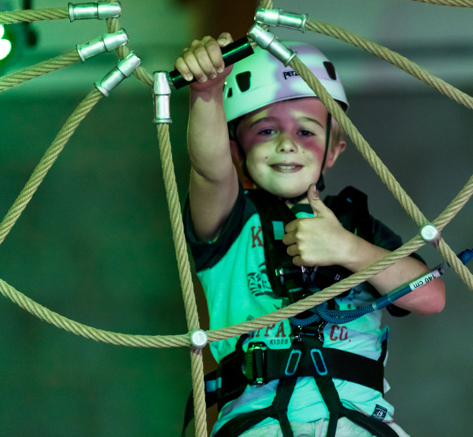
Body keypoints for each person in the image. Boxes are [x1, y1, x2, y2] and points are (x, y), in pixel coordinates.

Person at [175, 32, 446, 437]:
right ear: (235, 150)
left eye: (306, 132)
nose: (287, 145)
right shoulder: (229, 217)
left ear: (333, 150)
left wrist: (348, 248)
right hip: (259, 426)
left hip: (360, 423)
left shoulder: (355, 224)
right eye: (266, 131)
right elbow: (209, 170)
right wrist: (207, 92)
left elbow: (430, 297)